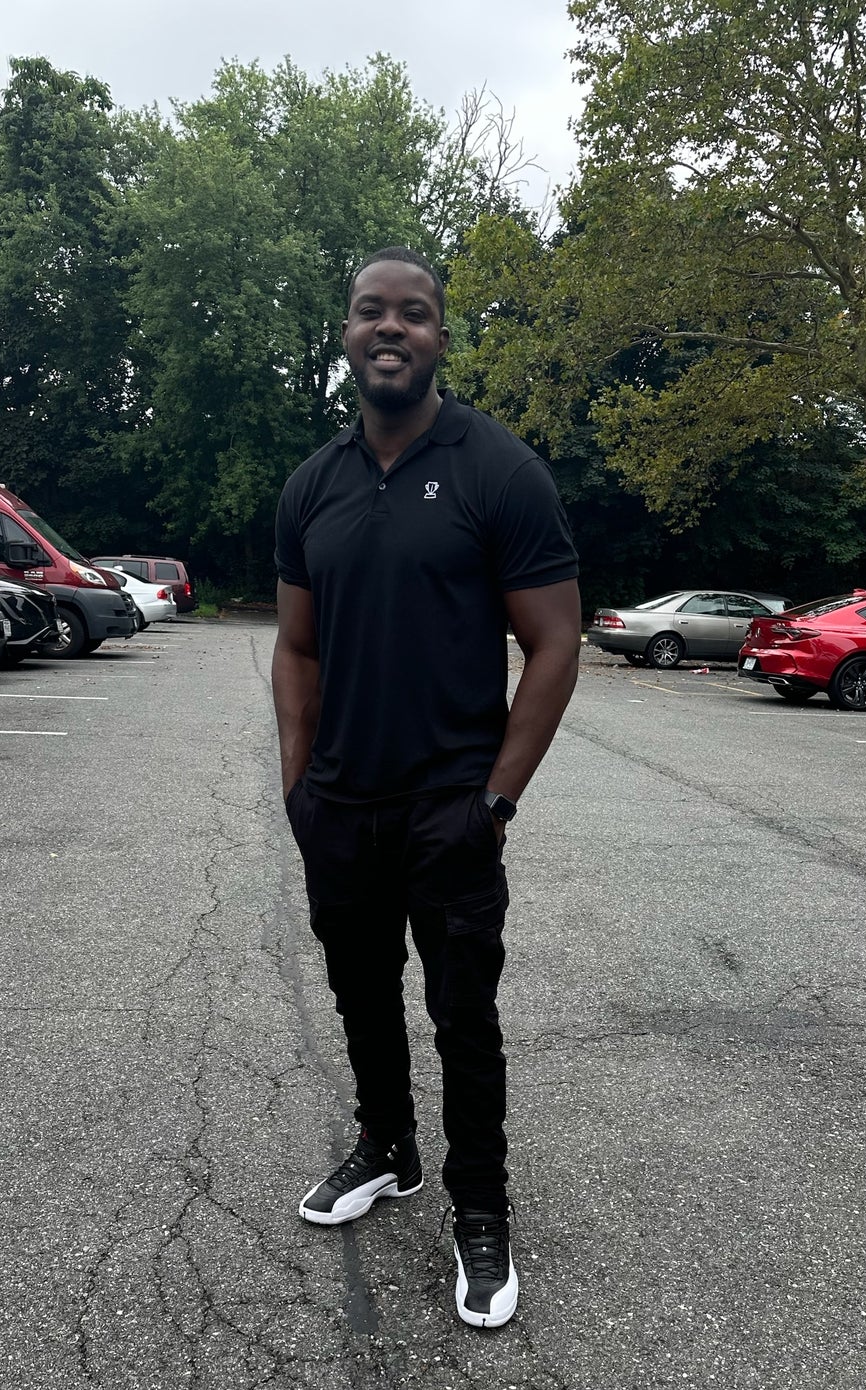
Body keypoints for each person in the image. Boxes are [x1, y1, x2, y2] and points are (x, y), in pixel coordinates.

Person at [272, 246, 581, 1329]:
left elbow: (555, 644)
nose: (390, 327)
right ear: (347, 334)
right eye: (371, 311)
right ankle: (388, 1146)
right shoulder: (312, 485)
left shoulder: (500, 471)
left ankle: (481, 1207)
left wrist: (494, 802)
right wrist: (299, 787)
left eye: (413, 313)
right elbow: (297, 647)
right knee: (361, 996)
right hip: (341, 807)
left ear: (442, 337)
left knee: (464, 1020)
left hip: (452, 807)